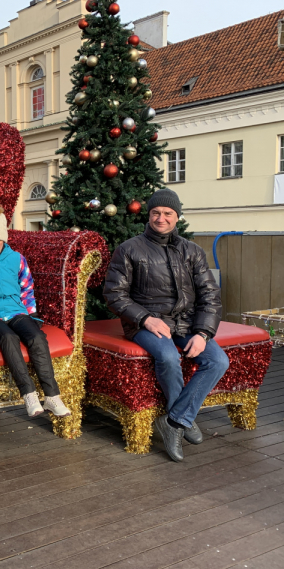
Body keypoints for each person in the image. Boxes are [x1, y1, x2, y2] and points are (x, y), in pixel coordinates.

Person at [102, 189, 229, 462]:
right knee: (169, 356)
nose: (161, 218)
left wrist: (203, 333)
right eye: (156, 213)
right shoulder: (129, 249)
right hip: (145, 323)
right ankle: (183, 419)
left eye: (168, 213)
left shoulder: (192, 250)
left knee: (217, 360)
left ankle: (175, 422)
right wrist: (145, 318)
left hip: (188, 322)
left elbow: (210, 295)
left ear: (177, 217)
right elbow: (115, 295)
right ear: (148, 216)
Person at [0, 205, 72, 420]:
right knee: (8, 337)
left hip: (15, 309)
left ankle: (52, 396)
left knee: (37, 337)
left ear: (4, 239)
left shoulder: (17, 259)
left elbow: (27, 286)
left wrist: (30, 314)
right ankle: (29, 394)